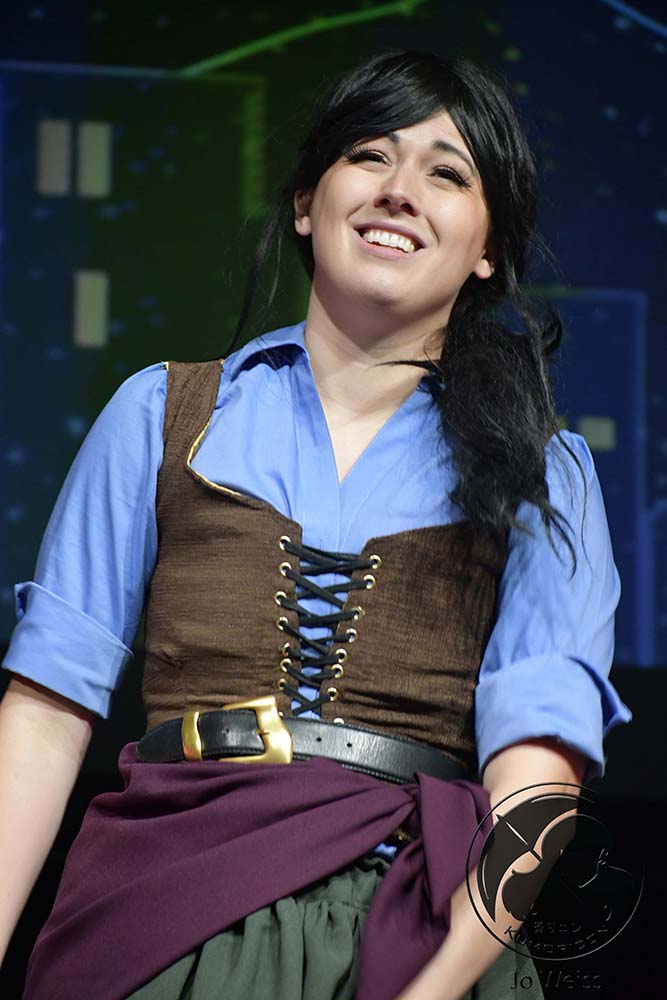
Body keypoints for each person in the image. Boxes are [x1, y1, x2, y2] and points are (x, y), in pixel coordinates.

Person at [0, 50, 631, 1000]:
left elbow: (537, 777)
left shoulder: (545, 471)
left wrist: (436, 987)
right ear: (306, 202)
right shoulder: (161, 416)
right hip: (161, 913)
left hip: (416, 928)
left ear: (487, 248)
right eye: (369, 154)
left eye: (447, 173)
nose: (399, 189)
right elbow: (46, 718)